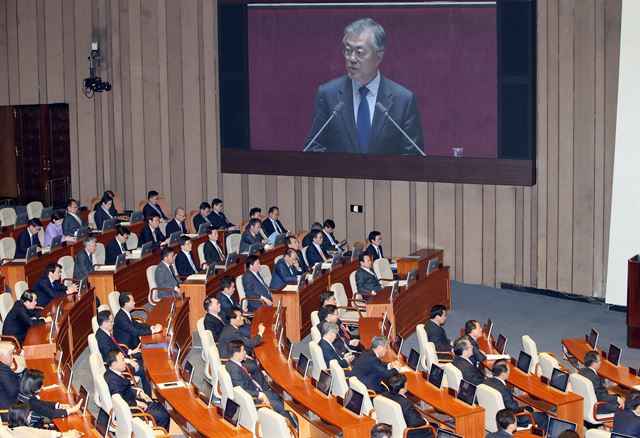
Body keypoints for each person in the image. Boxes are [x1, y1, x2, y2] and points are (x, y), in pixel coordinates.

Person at [305, 18, 424, 155]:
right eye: (348, 51)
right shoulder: (328, 95)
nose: (352, 59)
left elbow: (413, 156)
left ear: (378, 57)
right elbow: (314, 147)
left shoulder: (403, 101)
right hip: (339, 176)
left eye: (359, 52)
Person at [225, 340, 297, 429]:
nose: (245, 352)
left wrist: (253, 381)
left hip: (254, 392)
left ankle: (285, 422)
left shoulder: (230, 364)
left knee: (278, 395)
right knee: (279, 405)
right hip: (253, 400)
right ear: (236, 354)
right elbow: (242, 391)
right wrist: (260, 394)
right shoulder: (234, 370)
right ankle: (293, 430)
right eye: (243, 350)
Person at [104, 351, 170, 430]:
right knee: (164, 416)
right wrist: (138, 403)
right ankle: (157, 433)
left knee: (163, 407)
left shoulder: (111, 373)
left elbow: (125, 390)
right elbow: (121, 402)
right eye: (122, 360)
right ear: (114, 364)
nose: (125, 361)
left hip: (133, 400)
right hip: (133, 411)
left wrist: (139, 392)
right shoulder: (113, 381)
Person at [95, 310, 151, 395]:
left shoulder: (105, 333)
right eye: (111, 321)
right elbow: (111, 358)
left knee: (144, 356)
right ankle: (148, 396)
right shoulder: (102, 338)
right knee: (144, 369)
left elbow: (116, 347)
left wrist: (131, 351)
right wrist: (129, 361)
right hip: (118, 365)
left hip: (122, 357)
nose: (113, 323)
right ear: (104, 323)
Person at [483, 360, 548, 430]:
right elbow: (514, 408)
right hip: (509, 419)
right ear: (502, 374)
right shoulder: (504, 390)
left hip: (491, 415)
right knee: (543, 416)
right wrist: (519, 406)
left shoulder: (486, 382)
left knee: (529, 408)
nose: (509, 372)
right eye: (508, 371)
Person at [17, 368, 82, 427]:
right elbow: (50, 413)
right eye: (41, 385)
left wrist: (58, 405)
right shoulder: (31, 401)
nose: (42, 387)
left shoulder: (24, 393)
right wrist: (72, 410)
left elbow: (41, 404)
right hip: (33, 426)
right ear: (35, 387)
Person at [382, 373, 434, 438]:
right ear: (404, 385)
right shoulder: (405, 403)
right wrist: (425, 421)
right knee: (434, 427)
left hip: (390, 427)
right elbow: (414, 423)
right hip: (409, 433)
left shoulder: (384, 395)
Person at [578, 350, 624, 414]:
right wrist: (617, 399)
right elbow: (602, 398)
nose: (600, 363)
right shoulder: (595, 378)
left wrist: (603, 384)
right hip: (598, 407)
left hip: (586, 403)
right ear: (594, 363)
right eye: (599, 361)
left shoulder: (581, 371)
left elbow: (597, 387)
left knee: (617, 396)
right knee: (626, 406)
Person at [7, 401, 81, 437]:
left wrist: (62, 434)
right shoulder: (25, 434)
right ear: (23, 417)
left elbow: (38, 432)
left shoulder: (16, 429)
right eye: (29, 413)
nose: (31, 415)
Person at [0, 342, 21, 416]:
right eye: (10, 355)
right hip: (9, 412)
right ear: (1, 357)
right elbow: (13, 391)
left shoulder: (3, 368)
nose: (13, 357)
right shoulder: (3, 371)